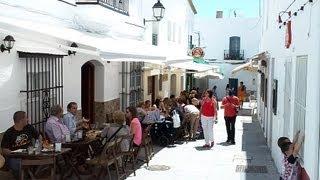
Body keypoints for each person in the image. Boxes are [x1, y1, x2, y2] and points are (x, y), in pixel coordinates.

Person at [1, 111, 40, 178]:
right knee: (18, 165)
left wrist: (38, 146)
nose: (28, 119)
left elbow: (39, 136)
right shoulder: (9, 133)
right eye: (26, 118)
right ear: (21, 120)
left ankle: (31, 175)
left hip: (30, 154)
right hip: (15, 157)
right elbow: (4, 150)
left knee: (42, 160)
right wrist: (14, 153)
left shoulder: (29, 127)